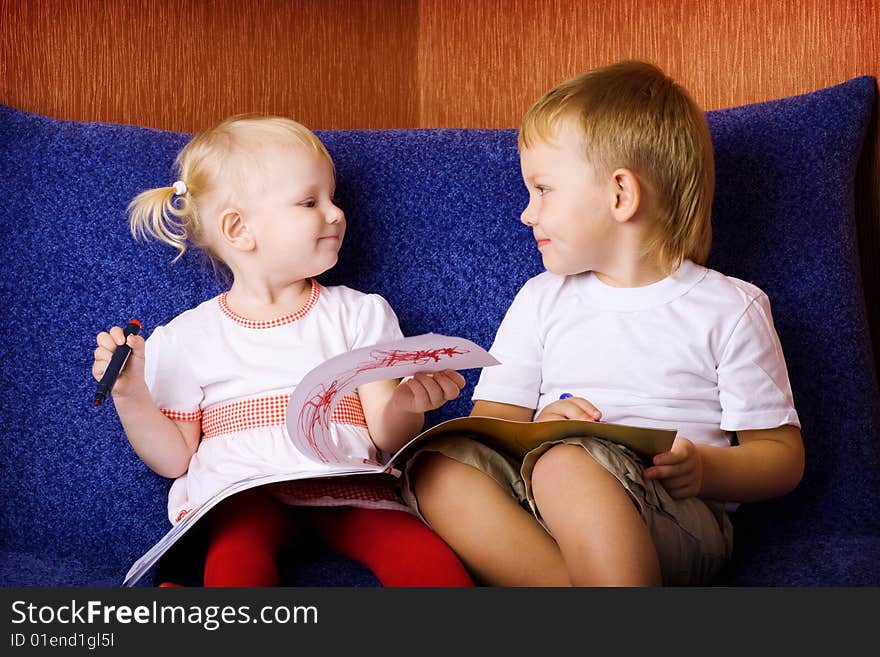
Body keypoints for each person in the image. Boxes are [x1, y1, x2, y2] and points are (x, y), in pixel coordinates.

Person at [402, 61, 804, 586]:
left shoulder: (731, 308)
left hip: (672, 513)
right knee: (436, 467)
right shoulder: (542, 297)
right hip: (542, 495)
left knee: (568, 464)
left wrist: (705, 469)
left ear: (620, 195)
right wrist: (542, 426)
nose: (527, 213)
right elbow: (492, 421)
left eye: (543, 190)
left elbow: (781, 457)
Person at [91, 115, 473, 587]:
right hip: (243, 497)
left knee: (421, 554)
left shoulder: (359, 314)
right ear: (239, 230)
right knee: (236, 554)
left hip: (344, 484)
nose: (335, 214)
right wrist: (131, 396)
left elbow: (387, 437)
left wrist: (406, 404)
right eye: (310, 202)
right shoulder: (187, 337)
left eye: (333, 199)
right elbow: (174, 460)